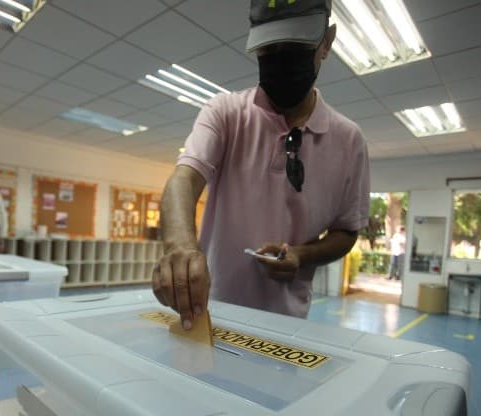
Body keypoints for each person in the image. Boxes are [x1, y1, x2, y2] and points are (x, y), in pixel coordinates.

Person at [152, 0, 370, 327]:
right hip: (211, 314)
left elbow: (346, 230)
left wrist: (301, 254)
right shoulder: (225, 113)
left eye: (294, 46)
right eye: (270, 49)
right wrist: (179, 246)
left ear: (326, 42)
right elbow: (184, 180)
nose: (281, 59)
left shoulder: (349, 141)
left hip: (288, 322)